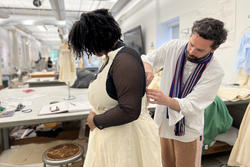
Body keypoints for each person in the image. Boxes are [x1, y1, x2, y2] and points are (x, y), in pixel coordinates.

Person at [68, 9, 162, 167]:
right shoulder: (110, 58)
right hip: (114, 137)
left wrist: (95, 120)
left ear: (97, 38)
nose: (89, 51)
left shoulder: (125, 59)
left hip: (128, 140)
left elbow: (130, 110)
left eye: (88, 45)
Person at [142, 18, 227, 167]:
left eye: (200, 50)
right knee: (163, 163)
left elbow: (192, 105)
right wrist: (148, 68)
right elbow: (148, 59)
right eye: (191, 44)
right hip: (164, 122)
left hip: (187, 129)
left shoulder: (215, 72)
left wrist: (166, 100)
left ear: (213, 49)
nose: (192, 51)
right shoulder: (174, 47)